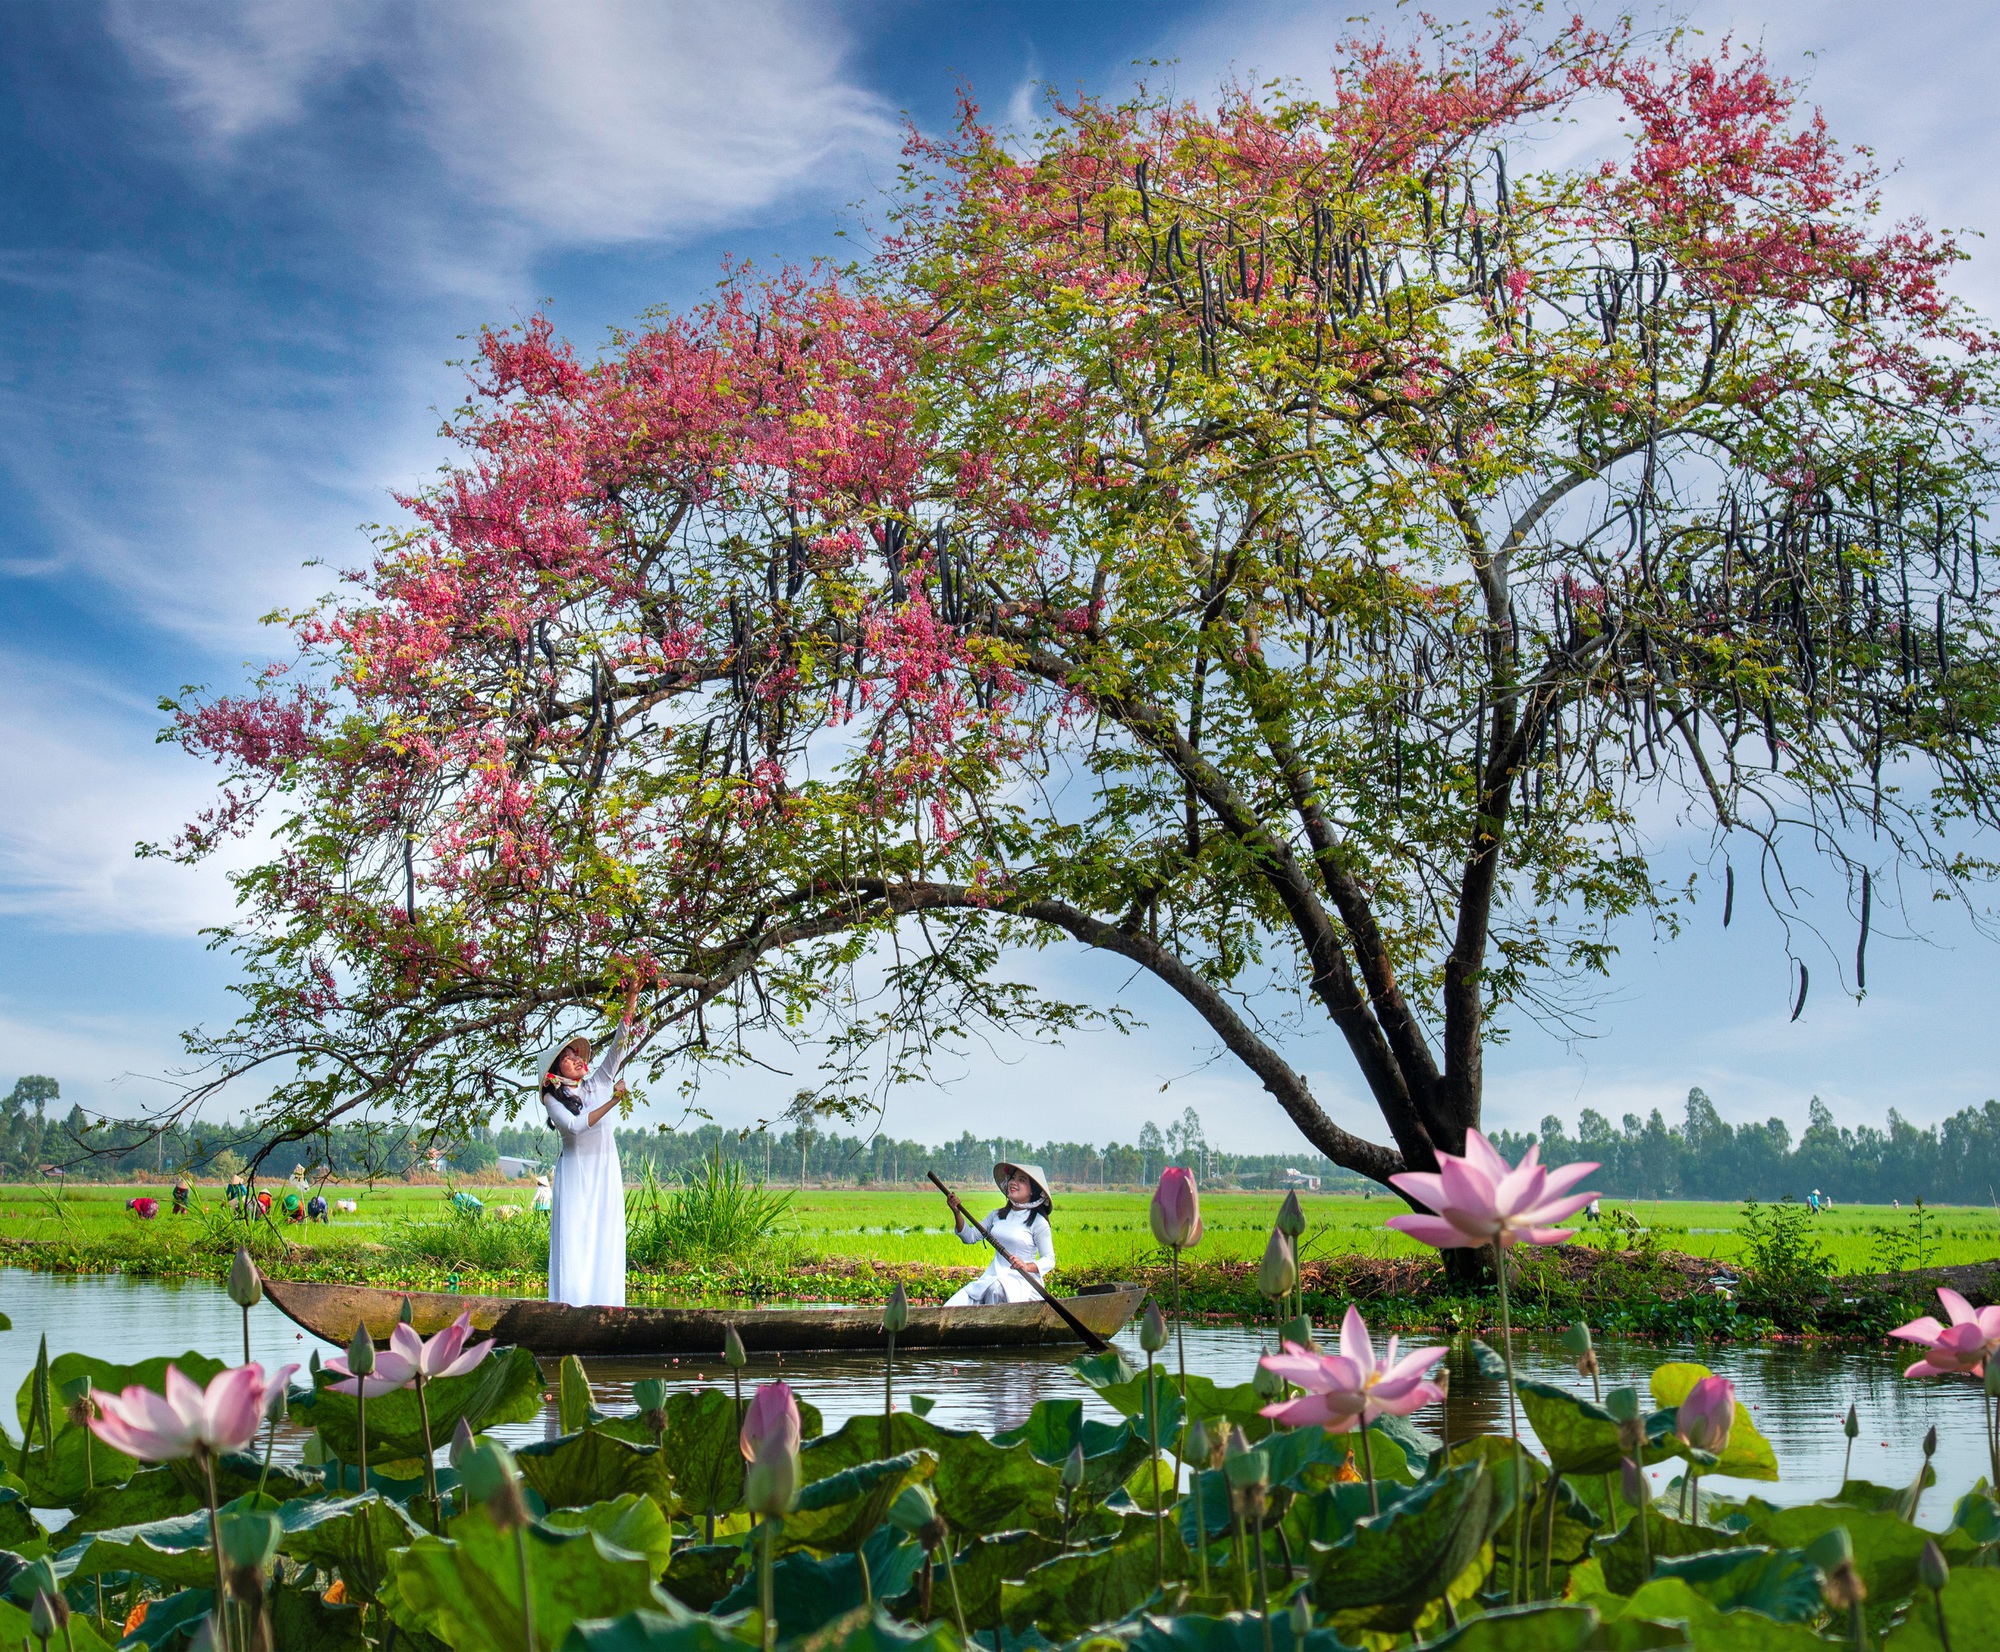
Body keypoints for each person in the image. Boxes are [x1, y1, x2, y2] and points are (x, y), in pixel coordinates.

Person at [541, 977, 642, 1308]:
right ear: (557, 1070)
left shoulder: (598, 1082)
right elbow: (574, 1127)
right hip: (575, 1174)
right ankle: (569, 1310)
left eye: (575, 1055)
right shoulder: (552, 1099)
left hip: (603, 1171)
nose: (576, 1059)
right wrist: (613, 1102)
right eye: (567, 1058)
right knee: (575, 1239)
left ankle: (606, 1307)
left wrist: (632, 997)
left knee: (604, 1235)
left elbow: (619, 1045)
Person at [942, 1162, 1056, 1307]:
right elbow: (969, 1237)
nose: (1013, 1183)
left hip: (1021, 1282)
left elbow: (1049, 1259)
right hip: (992, 1277)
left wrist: (1026, 1266)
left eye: (1021, 1180)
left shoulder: (1038, 1222)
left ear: (1032, 1191)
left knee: (995, 1289)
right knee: (952, 1306)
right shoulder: (996, 1215)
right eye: (1013, 1178)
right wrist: (956, 1212)